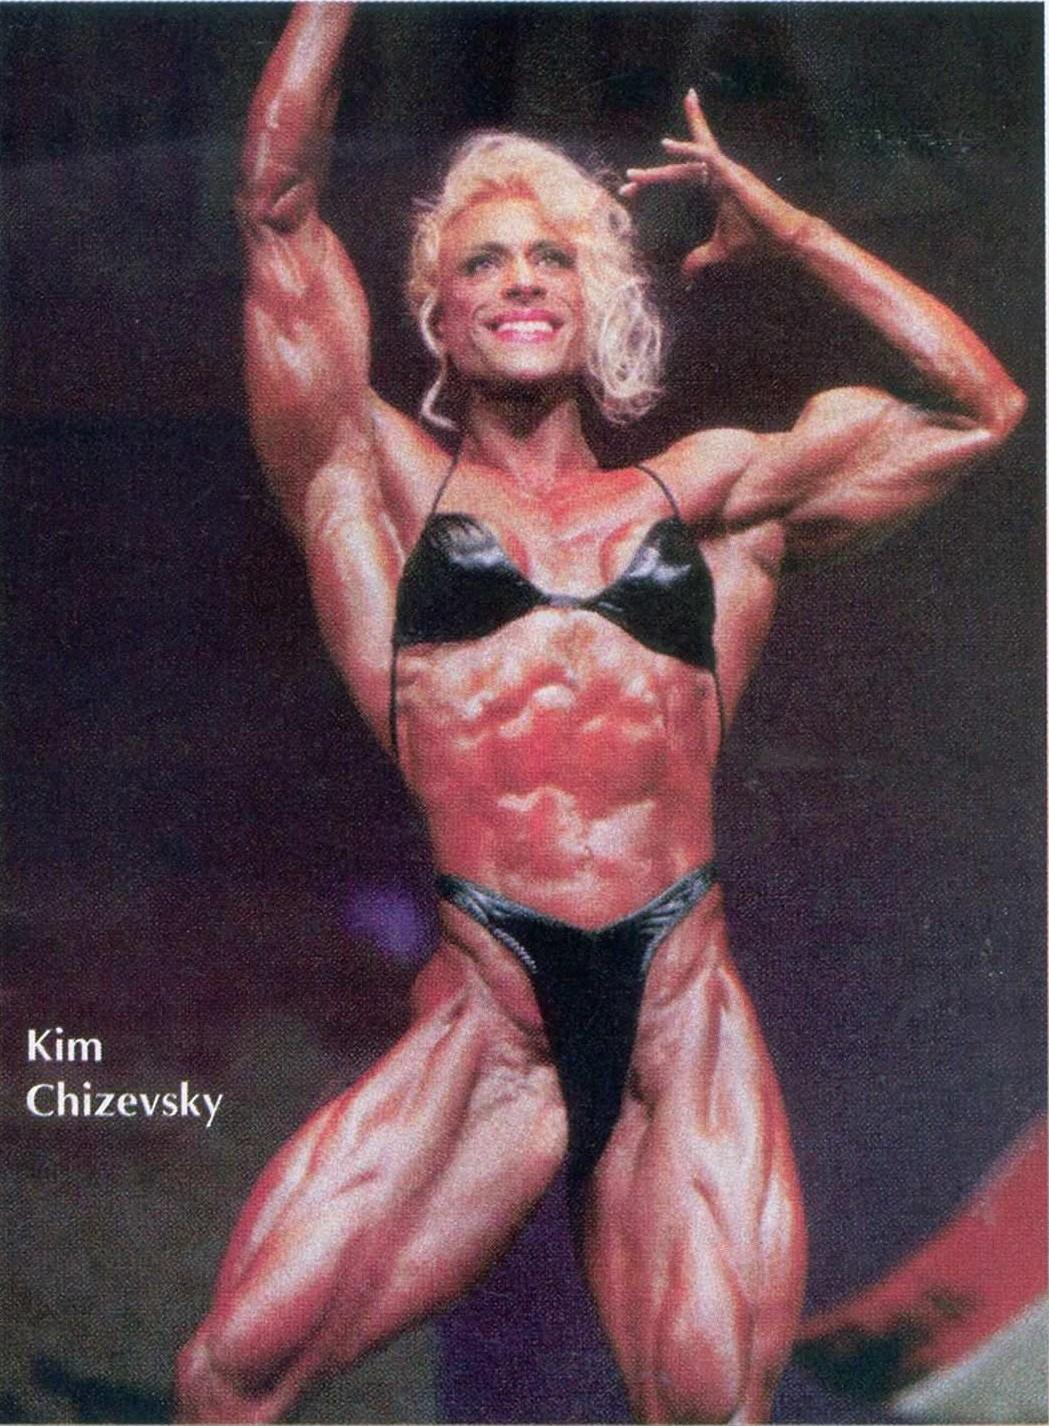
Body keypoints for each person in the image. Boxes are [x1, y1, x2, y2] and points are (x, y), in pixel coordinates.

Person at [175, 5, 1025, 1422]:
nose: (519, 279)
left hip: (676, 1006)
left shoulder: (708, 500)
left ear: (593, 302)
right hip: (493, 1010)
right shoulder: (372, 487)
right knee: (234, 1372)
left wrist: (794, 231)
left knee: (710, 1404)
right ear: (438, 315)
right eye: (482, 262)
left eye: (552, 257)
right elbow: (274, 203)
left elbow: (976, 408)